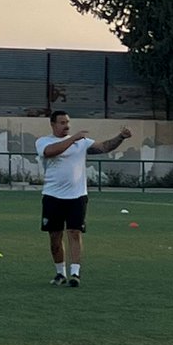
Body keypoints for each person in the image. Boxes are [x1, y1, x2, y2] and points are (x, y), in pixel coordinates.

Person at [35, 110, 131, 287]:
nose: (67, 126)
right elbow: (50, 152)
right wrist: (72, 139)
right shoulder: (44, 141)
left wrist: (121, 137)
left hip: (77, 196)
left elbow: (104, 147)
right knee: (55, 237)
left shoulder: (81, 143)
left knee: (74, 232)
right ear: (53, 124)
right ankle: (60, 273)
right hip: (52, 197)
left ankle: (75, 274)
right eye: (62, 123)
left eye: (68, 122)